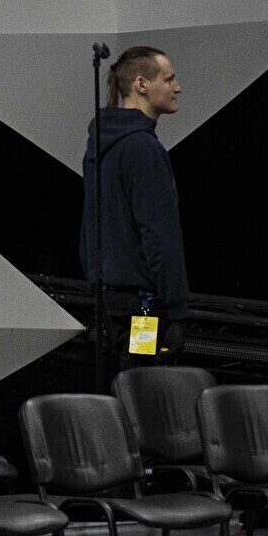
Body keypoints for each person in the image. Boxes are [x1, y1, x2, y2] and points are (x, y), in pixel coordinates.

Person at [84, 44, 189, 361]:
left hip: (112, 300)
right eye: (169, 79)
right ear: (142, 84)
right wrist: (177, 310)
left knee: (132, 381)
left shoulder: (101, 146)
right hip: (143, 305)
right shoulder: (143, 148)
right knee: (147, 383)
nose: (177, 88)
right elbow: (159, 235)